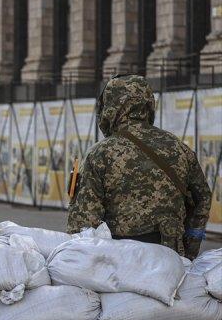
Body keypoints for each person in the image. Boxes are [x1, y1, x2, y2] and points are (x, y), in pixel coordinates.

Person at [66, 74, 211, 259]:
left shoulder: (100, 153)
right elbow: (203, 198)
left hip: (121, 264)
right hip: (170, 259)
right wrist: (189, 250)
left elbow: (83, 225)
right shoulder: (179, 148)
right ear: (149, 104)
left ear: (110, 107)